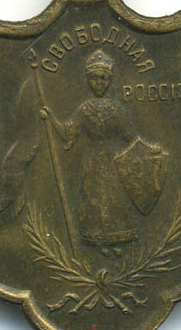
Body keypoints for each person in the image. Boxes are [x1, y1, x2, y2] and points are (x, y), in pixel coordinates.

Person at [40, 50, 136, 255]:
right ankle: (98, 243)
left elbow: (130, 137)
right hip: (92, 163)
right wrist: (50, 118)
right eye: (94, 79)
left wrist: (147, 150)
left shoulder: (115, 110)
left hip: (113, 162)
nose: (99, 83)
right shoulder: (84, 110)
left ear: (109, 80)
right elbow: (69, 132)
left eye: (103, 79)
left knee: (114, 198)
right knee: (93, 199)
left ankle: (115, 240)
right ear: (88, 80)